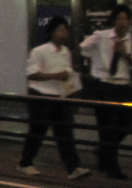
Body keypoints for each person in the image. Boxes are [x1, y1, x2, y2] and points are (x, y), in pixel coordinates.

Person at [20, 16, 90, 179]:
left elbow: (67, 73)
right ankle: (25, 162)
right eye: (60, 30)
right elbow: (32, 75)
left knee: (65, 132)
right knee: (37, 131)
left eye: (65, 30)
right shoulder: (39, 51)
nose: (63, 33)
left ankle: (73, 167)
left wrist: (71, 87)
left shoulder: (66, 52)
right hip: (41, 95)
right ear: (51, 32)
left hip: (60, 96)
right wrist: (57, 76)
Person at [81, 5, 132, 179]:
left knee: (126, 123)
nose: (122, 22)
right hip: (106, 85)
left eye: (125, 19)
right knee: (108, 127)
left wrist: (124, 53)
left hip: (124, 86)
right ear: (114, 21)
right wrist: (96, 62)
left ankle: (104, 153)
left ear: (130, 21)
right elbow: (83, 48)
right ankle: (112, 167)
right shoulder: (102, 37)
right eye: (119, 18)